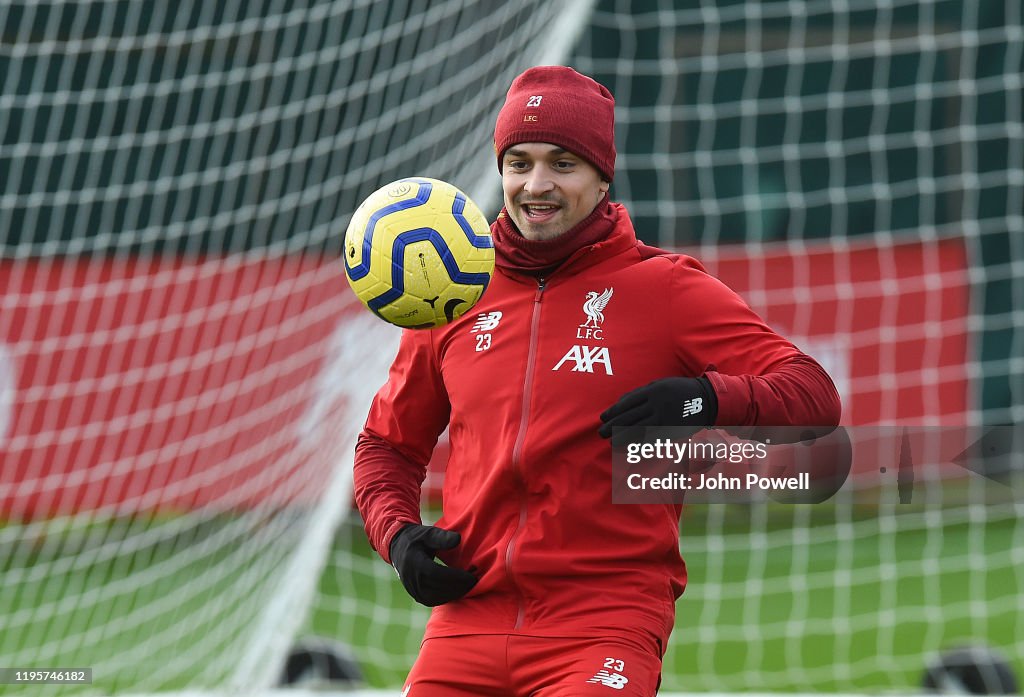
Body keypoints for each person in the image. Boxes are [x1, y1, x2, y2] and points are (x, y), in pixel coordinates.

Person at [353, 66, 841, 696]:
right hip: (468, 619)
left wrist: (704, 397)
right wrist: (397, 535)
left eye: (563, 163)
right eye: (519, 162)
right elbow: (386, 446)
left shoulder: (666, 289)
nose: (536, 185)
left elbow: (812, 394)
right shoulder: (452, 291)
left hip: (604, 622)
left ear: (602, 176)